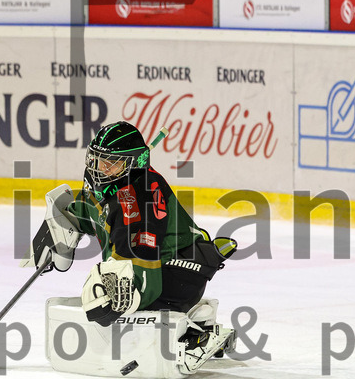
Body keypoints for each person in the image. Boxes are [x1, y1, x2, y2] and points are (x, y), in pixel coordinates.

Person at [25, 121, 236, 345]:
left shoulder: (135, 202)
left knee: (103, 292)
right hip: (173, 266)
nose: (100, 169)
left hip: (177, 275)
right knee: (108, 284)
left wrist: (123, 298)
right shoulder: (116, 186)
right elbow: (97, 214)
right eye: (97, 160)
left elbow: (143, 265)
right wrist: (66, 219)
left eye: (111, 164)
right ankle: (186, 318)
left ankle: (187, 333)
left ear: (134, 164)